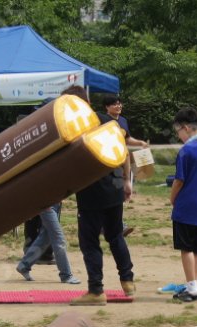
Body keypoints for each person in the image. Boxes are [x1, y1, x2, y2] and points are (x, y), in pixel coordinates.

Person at [62, 86, 135, 306]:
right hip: (114, 187)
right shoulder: (108, 121)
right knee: (115, 235)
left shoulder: (73, 127)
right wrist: (126, 179)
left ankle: (96, 290)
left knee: (90, 241)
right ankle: (128, 281)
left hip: (91, 192)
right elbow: (124, 151)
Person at [169, 107, 197, 302]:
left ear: (186, 128)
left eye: (178, 131)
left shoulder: (186, 150)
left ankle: (192, 287)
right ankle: (195, 284)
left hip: (187, 205)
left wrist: (172, 198)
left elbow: (179, 180)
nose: (178, 136)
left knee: (185, 247)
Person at [100, 95, 148, 237]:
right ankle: (115, 225)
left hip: (122, 162)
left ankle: (112, 224)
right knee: (112, 193)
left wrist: (140, 143)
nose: (118, 106)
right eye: (115, 104)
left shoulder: (123, 121)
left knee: (119, 193)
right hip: (108, 162)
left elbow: (127, 139)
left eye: (120, 103)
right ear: (107, 107)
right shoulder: (103, 121)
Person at [16, 203, 81, 284]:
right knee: (59, 240)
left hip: (55, 204)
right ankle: (66, 275)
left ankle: (24, 266)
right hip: (47, 205)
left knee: (45, 238)